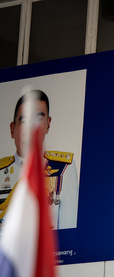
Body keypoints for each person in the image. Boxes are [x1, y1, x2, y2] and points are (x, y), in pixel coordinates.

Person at [0, 89, 79, 230]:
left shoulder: (64, 168)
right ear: (13, 129)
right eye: (23, 121)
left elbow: (68, 233)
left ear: (48, 124)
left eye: (38, 120)